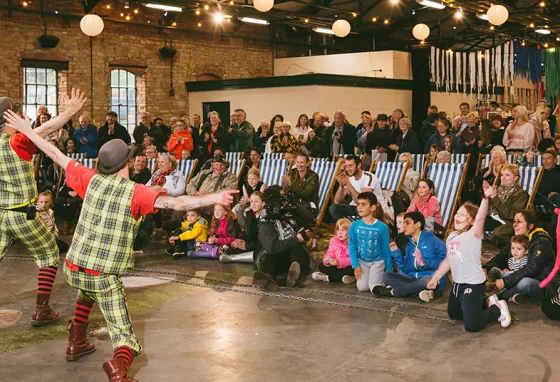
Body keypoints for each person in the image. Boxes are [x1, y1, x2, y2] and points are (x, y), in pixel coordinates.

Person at [5, 110, 237, 382]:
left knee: (86, 290)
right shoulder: (137, 192)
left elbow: (54, 154)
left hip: (73, 268)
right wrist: (215, 197)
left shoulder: (89, 178)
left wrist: (28, 130)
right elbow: (177, 203)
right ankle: (119, 372)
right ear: (127, 162)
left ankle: (76, 341)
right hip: (103, 274)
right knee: (123, 332)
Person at [1, 90, 85, 327]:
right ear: (11, 119)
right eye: (19, 112)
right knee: (49, 254)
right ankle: (41, 310)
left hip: (1, 215)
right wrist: (70, 111)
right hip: (23, 215)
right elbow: (45, 130)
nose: (23, 115)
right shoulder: (17, 142)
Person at [427, 198, 512, 332]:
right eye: (457, 213)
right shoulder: (452, 236)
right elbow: (449, 260)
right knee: (454, 314)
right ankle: (484, 303)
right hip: (457, 284)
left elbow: (480, 218)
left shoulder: (473, 235)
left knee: (472, 325)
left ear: (471, 220)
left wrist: (485, 198)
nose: (457, 217)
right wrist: (435, 277)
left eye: (462, 215)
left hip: (472, 284)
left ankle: (497, 308)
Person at [483, 209, 555, 303]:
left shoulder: (541, 241)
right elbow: (502, 256)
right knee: (492, 270)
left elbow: (532, 269)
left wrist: (505, 282)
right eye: (514, 221)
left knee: (525, 282)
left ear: (530, 226)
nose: (514, 225)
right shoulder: (520, 238)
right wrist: (485, 268)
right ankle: (490, 291)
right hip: (517, 276)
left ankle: (496, 297)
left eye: (519, 222)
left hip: (540, 284)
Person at [374, 212, 446, 301]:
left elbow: (446, 261)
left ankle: (392, 292)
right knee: (386, 276)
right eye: (403, 223)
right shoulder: (409, 246)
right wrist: (396, 253)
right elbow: (406, 269)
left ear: (418, 224)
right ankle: (418, 292)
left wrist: (425, 263)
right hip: (413, 279)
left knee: (426, 280)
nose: (404, 226)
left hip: (431, 279)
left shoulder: (432, 240)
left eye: (407, 223)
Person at [253, 186, 311, 290]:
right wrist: (296, 239)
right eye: (282, 200)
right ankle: (269, 278)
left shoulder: (289, 212)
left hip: (292, 258)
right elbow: (272, 247)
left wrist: (294, 204)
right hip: (276, 256)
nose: (284, 202)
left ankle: (291, 276)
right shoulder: (266, 221)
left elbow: (310, 218)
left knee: (297, 249)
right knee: (267, 254)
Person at [348, 192, 392, 293]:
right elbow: (352, 246)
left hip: (377, 262)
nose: (360, 207)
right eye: (358, 204)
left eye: (363, 204)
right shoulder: (354, 226)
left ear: (372, 208)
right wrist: (356, 265)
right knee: (362, 288)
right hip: (362, 261)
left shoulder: (382, 227)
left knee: (374, 287)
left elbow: (386, 248)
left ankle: (383, 281)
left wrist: (389, 269)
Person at [329, 155, 390, 221]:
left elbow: (365, 200)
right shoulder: (350, 178)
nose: (347, 169)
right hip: (358, 208)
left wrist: (348, 184)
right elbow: (337, 201)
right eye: (346, 166)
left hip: (374, 209)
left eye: (350, 166)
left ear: (359, 165)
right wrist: (341, 186)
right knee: (333, 208)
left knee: (362, 209)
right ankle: (348, 228)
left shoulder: (369, 177)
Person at [482, 164, 529, 245]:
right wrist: (486, 194)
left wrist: (494, 197)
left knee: (480, 225)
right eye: (502, 175)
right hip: (491, 217)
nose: (503, 178)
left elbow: (511, 215)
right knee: (472, 220)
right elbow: (485, 207)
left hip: (505, 222)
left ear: (516, 178)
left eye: (507, 175)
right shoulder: (498, 189)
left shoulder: (521, 194)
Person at [311, 218, 355, 284]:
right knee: (322, 266)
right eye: (338, 229)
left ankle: (327, 278)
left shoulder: (353, 243)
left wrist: (339, 262)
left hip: (347, 266)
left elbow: (353, 259)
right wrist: (327, 260)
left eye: (343, 230)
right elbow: (330, 253)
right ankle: (345, 277)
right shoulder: (334, 240)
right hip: (336, 266)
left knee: (352, 269)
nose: (340, 232)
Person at [282, 153, 319, 217]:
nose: (299, 165)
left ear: (307, 164)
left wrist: (291, 184)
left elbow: (306, 194)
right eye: (297, 162)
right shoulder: (293, 173)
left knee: (290, 208)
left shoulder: (314, 176)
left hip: (308, 206)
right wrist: (286, 186)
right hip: (294, 203)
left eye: (302, 162)